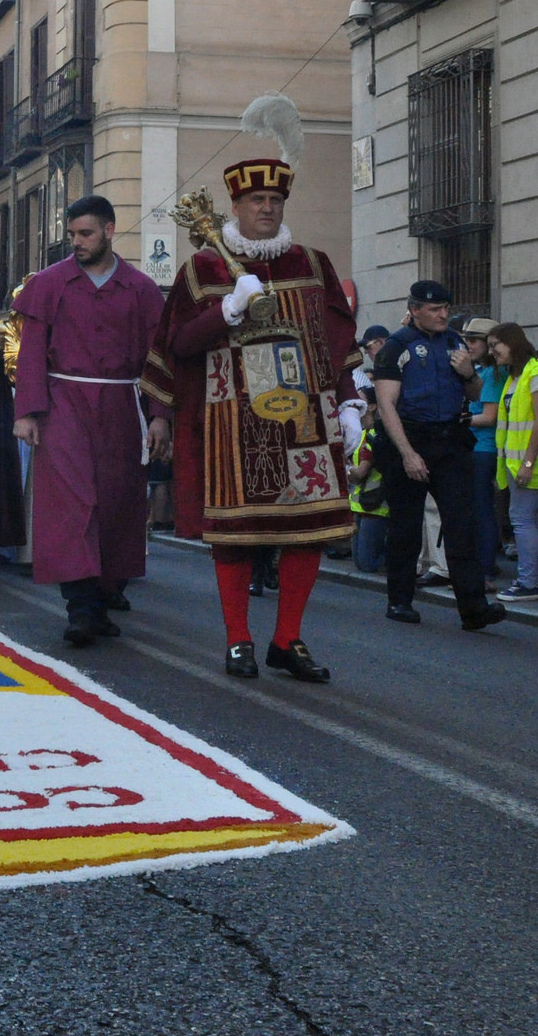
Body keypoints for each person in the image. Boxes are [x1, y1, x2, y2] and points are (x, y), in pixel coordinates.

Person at [143, 153, 357, 681]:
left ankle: (287, 639)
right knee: (236, 534)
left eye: (275, 200)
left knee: (308, 530)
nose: (267, 207)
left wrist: (350, 401)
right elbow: (177, 344)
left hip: (306, 418)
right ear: (235, 206)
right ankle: (239, 639)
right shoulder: (203, 269)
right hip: (230, 422)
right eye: (256, 200)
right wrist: (227, 311)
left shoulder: (312, 262)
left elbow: (337, 339)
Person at [0, 197, 168, 645]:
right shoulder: (51, 284)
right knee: (74, 502)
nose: (76, 242)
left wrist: (160, 417)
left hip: (120, 406)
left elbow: (158, 361)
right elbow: (31, 351)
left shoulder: (141, 290)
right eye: (72, 234)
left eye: (86, 234)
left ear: (110, 231)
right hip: (64, 403)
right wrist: (27, 413)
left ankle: (105, 593)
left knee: (116, 502)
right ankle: (80, 609)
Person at [372, 280, 507, 631]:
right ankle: (400, 600)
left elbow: (475, 390)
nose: (443, 315)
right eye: (435, 310)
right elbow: (386, 405)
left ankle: (473, 607)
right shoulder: (396, 347)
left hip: (449, 439)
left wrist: (468, 373)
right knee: (406, 526)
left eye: (446, 308)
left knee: (462, 523)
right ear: (415, 310)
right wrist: (407, 454)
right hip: (410, 436)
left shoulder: (453, 342)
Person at [489, 323, 538, 603]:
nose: (492, 352)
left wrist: (527, 462)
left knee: (523, 521)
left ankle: (529, 582)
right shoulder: (516, 375)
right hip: (518, 462)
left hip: (530, 462)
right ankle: (531, 580)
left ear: (511, 342)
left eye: (495, 345)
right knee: (532, 521)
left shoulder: (533, 372)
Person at [460, 316, 504, 578]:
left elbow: (490, 416)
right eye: (467, 339)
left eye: (474, 340)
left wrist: (460, 421)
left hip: (482, 448)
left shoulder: (493, 373)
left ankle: (485, 565)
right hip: (478, 447)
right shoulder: (485, 372)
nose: (469, 345)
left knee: (481, 507)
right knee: (480, 506)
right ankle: (485, 562)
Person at [347, 420, 388, 574]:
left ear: (372, 406)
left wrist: (349, 470)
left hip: (376, 504)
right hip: (361, 502)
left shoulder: (376, 434)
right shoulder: (364, 432)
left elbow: (360, 473)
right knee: (359, 563)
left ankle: (395, 561)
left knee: (367, 564)